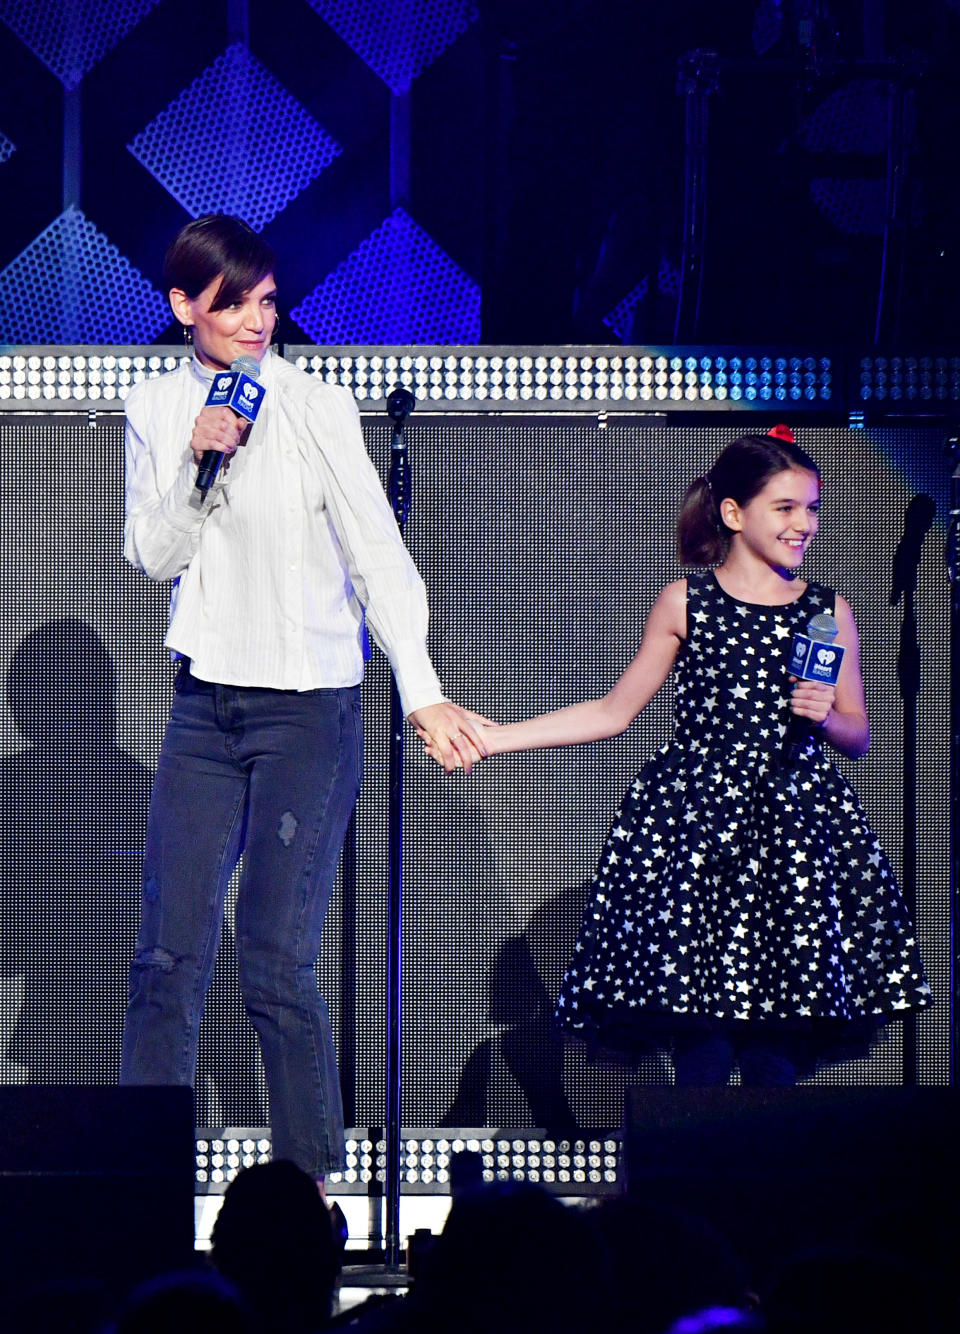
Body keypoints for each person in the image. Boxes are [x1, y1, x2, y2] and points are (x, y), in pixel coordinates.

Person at [120, 214, 485, 1182]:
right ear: (184, 307)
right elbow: (152, 553)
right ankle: (137, 1178)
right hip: (204, 704)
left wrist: (423, 689)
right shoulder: (154, 405)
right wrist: (198, 464)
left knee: (276, 958)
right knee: (166, 958)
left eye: (267, 299)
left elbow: (378, 554)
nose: (253, 319)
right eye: (231, 301)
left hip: (307, 710)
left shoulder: (317, 405)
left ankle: (305, 1191)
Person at [448, 430, 929, 1084]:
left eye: (811, 509)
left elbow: (858, 734)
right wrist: (496, 736)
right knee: (701, 1040)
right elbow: (613, 712)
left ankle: (762, 1181)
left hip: (788, 833)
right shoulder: (686, 602)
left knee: (775, 1044)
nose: (803, 524)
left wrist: (827, 717)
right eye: (785, 508)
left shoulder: (826, 612)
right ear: (733, 513)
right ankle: (689, 1177)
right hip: (698, 832)